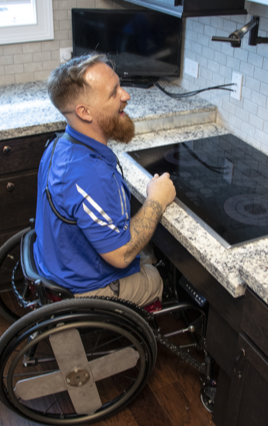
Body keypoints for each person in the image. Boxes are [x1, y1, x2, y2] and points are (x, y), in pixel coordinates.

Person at [33, 53, 176, 307]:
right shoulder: (89, 176)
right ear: (84, 112)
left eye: (120, 86)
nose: (126, 95)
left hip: (60, 264)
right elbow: (121, 256)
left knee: (147, 249)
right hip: (82, 289)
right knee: (157, 276)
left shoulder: (59, 145)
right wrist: (157, 199)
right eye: (113, 93)